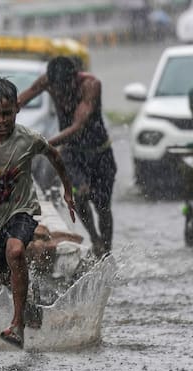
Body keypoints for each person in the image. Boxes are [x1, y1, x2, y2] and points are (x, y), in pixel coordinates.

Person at [0, 78, 76, 349]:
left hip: (23, 210)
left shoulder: (28, 139)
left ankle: (17, 325)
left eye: (6, 113)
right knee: (7, 277)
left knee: (16, 251)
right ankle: (29, 310)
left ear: (17, 109)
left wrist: (68, 191)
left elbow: (54, 156)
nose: (0, 121)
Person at [18, 56, 116, 256]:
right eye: (57, 89)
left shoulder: (90, 85)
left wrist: (44, 144)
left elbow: (77, 127)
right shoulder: (48, 81)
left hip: (100, 154)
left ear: (74, 78)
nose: (61, 94)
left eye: (64, 88)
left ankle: (106, 251)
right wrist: (0, 114)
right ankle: (95, 239)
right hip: (71, 154)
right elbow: (21, 100)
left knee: (102, 206)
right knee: (78, 196)